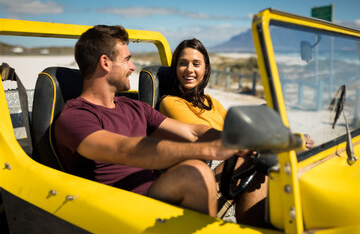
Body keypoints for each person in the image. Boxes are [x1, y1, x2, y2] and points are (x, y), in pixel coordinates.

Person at [54, 25, 251, 218]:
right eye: (127, 60)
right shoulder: (76, 115)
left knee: (255, 159)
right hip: (117, 210)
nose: (132, 67)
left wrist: (238, 142)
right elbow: (125, 149)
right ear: (105, 63)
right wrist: (206, 149)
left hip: (155, 198)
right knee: (195, 171)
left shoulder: (135, 107)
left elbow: (193, 132)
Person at [158, 38, 315, 225]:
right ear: (175, 69)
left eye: (196, 64)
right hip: (198, 181)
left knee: (267, 151)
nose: (189, 69)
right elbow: (207, 134)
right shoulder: (170, 102)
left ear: (206, 69)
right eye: (182, 64)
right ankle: (254, 225)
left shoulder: (211, 102)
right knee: (252, 154)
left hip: (225, 169)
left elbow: (235, 129)